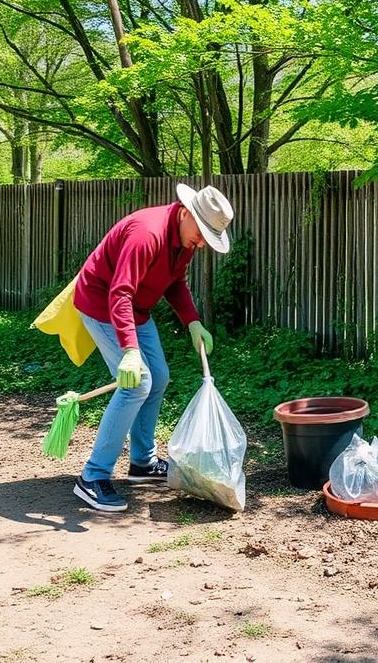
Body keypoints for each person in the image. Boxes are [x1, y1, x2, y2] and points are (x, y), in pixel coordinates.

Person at [71, 183, 234, 512]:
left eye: (207, 237)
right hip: (103, 305)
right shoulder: (147, 234)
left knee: (158, 377)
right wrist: (130, 351)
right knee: (137, 383)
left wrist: (192, 321)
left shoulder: (185, 238)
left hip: (136, 309)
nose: (201, 243)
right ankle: (93, 476)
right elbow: (119, 293)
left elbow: (175, 281)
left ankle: (142, 463)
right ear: (185, 212)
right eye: (201, 233)